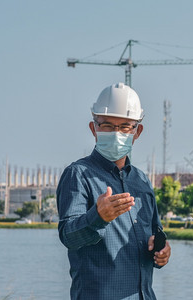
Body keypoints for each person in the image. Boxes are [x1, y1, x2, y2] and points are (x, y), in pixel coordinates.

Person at [57, 83, 171, 300]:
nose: (116, 133)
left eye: (125, 126)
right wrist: (97, 217)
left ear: (137, 131)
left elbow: (156, 233)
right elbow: (68, 235)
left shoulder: (142, 181)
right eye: (107, 125)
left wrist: (162, 251)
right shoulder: (78, 175)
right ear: (94, 128)